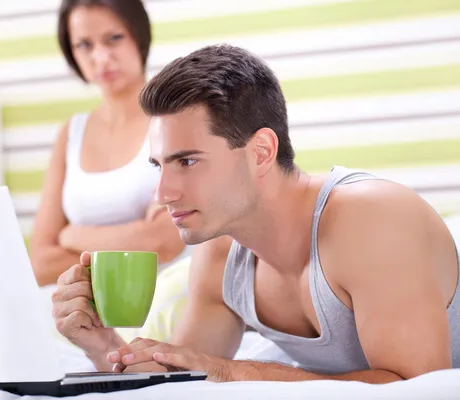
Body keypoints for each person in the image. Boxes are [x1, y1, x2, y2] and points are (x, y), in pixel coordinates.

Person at [52, 44, 460, 382]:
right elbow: (182, 381)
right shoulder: (220, 257)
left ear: (261, 152)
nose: (163, 193)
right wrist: (104, 347)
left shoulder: (372, 220)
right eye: (159, 166)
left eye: (188, 162)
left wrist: (231, 371)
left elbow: (418, 389)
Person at [29, 0, 185, 287]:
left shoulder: (174, 120)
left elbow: (163, 242)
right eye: (84, 45)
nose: (100, 58)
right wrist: (133, 241)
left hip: (162, 310)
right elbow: (40, 263)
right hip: (83, 316)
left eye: (114, 38)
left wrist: (74, 236)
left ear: (139, 36)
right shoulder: (71, 133)